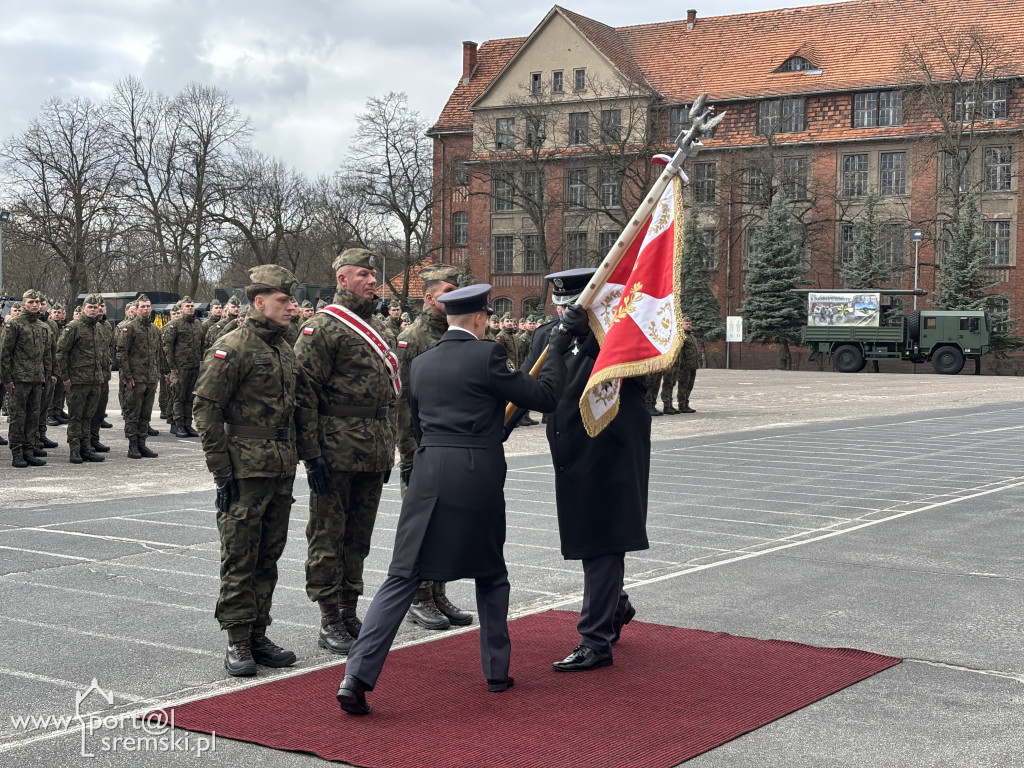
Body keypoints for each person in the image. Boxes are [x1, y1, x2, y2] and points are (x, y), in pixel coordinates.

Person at [336, 283, 575, 716]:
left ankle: (357, 675)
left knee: (402, 575)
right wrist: (556, 349)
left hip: (429, 470)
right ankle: (496, 671)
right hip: (475, 473)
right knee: (491, 573)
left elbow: (451, 415)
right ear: (481, 318)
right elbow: (545, 397)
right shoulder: (488, 355)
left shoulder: (422, 362)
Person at [518, 268, 650, 672]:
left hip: (610, 450)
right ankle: (616, 604)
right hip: (569, 451)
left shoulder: (623, 334)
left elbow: (639, 372)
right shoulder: (546, 335)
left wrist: (589, 338)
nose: (562, 311)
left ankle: (595, 640)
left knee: (603, 541)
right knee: (587, 539)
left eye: (570, 305)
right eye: (559, 304)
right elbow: (526, 386)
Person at [194, 265, 316, 677]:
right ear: (259, 302)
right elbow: (206, 409)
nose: (291, 307)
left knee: (269, 555)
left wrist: (308, 456)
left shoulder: (283, 347)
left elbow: (297, 407)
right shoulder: (232, 346)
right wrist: (220, 470)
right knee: (240, 555)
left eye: (290, 300)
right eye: (283, 301)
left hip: (280, 466)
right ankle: (237, 639)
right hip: (245, 469)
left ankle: (259, 631)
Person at [294, 248, 398, 655]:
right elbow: (304, 395)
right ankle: (328, 616)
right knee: (328, 535)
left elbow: (389, 396)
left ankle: (349, 606)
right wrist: (311, 453)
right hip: (335, 450)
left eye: (372, 275)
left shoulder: (380, 328)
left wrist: (387, 448)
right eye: (362, 275)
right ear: (342, 279)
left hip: (372, 449)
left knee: (359, 536)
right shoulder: (322, 329)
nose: (372, 281)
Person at [394, 264, 472, 631]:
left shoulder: (456, 333)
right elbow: (402, 400)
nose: (454, 296)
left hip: (449, 445)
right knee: (421, 525)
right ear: (429, 298)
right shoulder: (412, 338)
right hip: (422, 446)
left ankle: (437, 592)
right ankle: (419, 597)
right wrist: (409, 453)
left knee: (445, 524)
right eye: (447, 292)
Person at [1, 290, 54, 467]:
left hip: (37, 379)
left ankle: (29, 450)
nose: (35, 305)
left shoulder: (42, 327)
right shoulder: (14, 324)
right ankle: (17, 452)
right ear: (24, 304)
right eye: (31, 302)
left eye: (37, 302)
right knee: (18, 416)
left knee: (34, 416)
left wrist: (46, 376)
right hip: (19, 379)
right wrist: (7, 379)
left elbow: (47, 355)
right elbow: (5, 353)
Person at [57, 294, 108, 464]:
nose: (94, 310)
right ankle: (74, 449)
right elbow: (62, 353)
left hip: (95, 379)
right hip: (78, 380)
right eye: (90, 307)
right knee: (76, 417)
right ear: (84, 308)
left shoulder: (99, 328)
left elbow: (102, 353)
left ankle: (86, 447)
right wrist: (65, 377)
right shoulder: (73, 327)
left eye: (96, 307)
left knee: (89, 417)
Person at [117, 295, 162, 459]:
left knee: (146, 413)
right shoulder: (129, 328)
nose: (145, 309)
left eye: (148, 306)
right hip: (136, 378)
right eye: (142, 306)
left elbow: (157, 354)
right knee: (133, 413)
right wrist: (128, 377)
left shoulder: (154, 330)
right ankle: (132, 445)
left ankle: (142, 443)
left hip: (150, 378)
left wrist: (156, 376)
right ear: (135, 309)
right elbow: (122, 354)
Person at [162, 296, 204, 438]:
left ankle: (187, 423)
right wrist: (172, 366)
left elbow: (202, 345)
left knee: (190, 397)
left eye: (192, 306)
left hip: (194, 366)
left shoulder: (198, 324)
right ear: (181, 309)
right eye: (187, 306)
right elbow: (167, 347)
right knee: (178, 397)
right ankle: (178, 424)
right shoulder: (175, 325)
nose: (190, 308)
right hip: (180, 367)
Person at [674, 317, 699, 414]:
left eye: (690, 324)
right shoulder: (681, 336)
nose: (688, 326)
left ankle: (686, 403)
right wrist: (680, 365)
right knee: (683, 386)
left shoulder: (692, 337)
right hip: (684, 366)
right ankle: (681, 404)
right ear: (682, 325)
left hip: (693, 366)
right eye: (686, 324)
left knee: (689, 386)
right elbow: (679, 352)